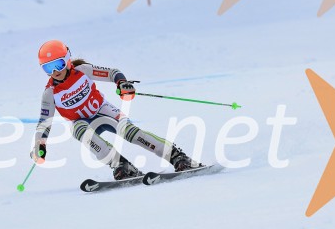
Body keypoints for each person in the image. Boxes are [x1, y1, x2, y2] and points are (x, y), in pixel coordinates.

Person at [30, 40, 204, 180]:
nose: (54, 71)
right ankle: (121, 165)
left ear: (67, 59)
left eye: (58, 64)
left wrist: (122, 84)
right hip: (80, 122)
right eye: (47, 68)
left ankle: (178, 157)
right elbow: (44, 122)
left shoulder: (82, 71)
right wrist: (40, 145)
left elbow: (112, 73)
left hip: (102, 111)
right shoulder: (50, 93)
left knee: (131, 134)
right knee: (78, 130)